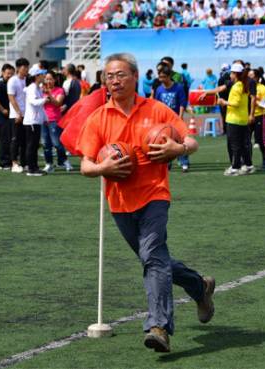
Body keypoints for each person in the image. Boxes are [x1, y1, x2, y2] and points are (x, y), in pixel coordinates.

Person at [77, 53, 214, 353]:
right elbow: (86, 165)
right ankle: (199, 286)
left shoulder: (156, 109)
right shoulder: (98, 118)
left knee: (152, 256)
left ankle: (159, 327)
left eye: (121, 74)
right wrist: (103, 169)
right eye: (109, 76)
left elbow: (191, 140)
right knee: (154, 260)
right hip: (119, 202)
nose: (114, 80)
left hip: (154, 194)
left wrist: (177, 148)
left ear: (136, 77)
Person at [217, 63, 254, 176]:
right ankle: (248, 165)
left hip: (234, 119)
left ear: (235, 74)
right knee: (243, 144)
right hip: (241, 119)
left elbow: (236, 103)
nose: (230, 75)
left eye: (232, 73)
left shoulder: (237, 86)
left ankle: (235, 167)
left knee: (235, 145)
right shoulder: (244, 84)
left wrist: (224, 102)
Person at [154, 64, 189, 172]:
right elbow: (157, 105)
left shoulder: (178, 87)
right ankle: (167, 163)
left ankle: (184, 163)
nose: (161, 79)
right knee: (164, 142)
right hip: (164, 122)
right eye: (160, 77)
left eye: (163, 77)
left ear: (169, 76)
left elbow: (182, 103)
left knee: (180, 142)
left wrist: (180, 117)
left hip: (176, 119)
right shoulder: (159, 89)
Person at [42, 71, 72, 173]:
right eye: (46, 79)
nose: (48, 81)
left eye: (50, 79)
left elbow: (58, 103)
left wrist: (49, 95)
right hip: (43, 120)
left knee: (57, 143)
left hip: (54, 119)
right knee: (46, 144)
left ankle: (64, 160)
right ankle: (49, 164)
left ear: (55, 80)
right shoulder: (41, 90)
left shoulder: (59, 90)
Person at [23, 65, 48, 177]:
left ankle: (35, 167)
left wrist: (45, 118)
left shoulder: (37, 88)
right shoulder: (32, 88)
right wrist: (45, 100)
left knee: (34, 145)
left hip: (36, 121)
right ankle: (31, 169)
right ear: (37, 76)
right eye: (42, 74)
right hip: (32, 121)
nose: (44, 76)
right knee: (31, 145)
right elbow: (33, 102)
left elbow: (39, 106)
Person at [0, 63, 16, 171]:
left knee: (12, 139)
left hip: (13, 115)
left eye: (11, 73)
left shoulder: (13, 84)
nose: (9, 75)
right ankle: (3, 162)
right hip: (5, 116)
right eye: (7, 73)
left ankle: (11, 160)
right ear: (2, 73)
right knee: (4, 139)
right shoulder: (1, 85)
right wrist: (2, 109)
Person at [7, 58, 30, 173]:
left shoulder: (27, 80)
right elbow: (11, 98)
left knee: (25, 140)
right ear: (18, 68)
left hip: (27, 114)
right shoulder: (13, 80)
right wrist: (18, 113)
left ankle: (25, 162)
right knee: (15, 139)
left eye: (27, 67)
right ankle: (14, 163)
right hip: (16, 115)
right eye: (24, 67)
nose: (26, 69)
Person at [249, 68, 265, 169]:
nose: (249, 79)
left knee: (261, 139)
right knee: (246, 140)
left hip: (259, 116)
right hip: (247, 117)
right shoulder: (246, 88)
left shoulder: (262, 88)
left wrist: (255, 101)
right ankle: (247, 161)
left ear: (257, 78)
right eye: (248, 77)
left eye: (252, 77)